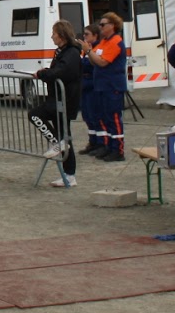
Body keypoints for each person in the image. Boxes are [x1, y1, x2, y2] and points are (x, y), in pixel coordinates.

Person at [29, 20, 81, 188]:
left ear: (62, 35)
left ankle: (57, 144)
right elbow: (57, 70)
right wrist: (46, 73)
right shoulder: (62, 52)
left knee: (34, 114)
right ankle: (69, 175)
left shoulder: (71, 52)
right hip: (57, 98)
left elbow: (62, 72)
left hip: (65, 100)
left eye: (54, 33)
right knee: (64, 135)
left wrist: (44, 74)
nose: (52, 36)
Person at [87, 12, 128, 160]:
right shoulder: (104, 42)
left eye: (103, 24)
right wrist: (89, 52)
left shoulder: (116, 42)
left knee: (114, 118)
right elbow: (94, 60)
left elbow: (103, 62)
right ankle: (109, 146)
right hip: (102, 85)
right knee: (105, 117)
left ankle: (118, 150)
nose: (100, 27)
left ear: (112, 26)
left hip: (113, 86)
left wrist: (88, 51)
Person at [79, 23, 100, 155]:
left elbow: (91, 64)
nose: (84, 37)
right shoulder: (85, 49)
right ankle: (92, 142)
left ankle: (99, 142)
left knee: (94, 115)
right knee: (86, 115)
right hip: (84, 84)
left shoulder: (96, 49)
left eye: (87, 34)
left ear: (95, 35)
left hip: (92, 83)